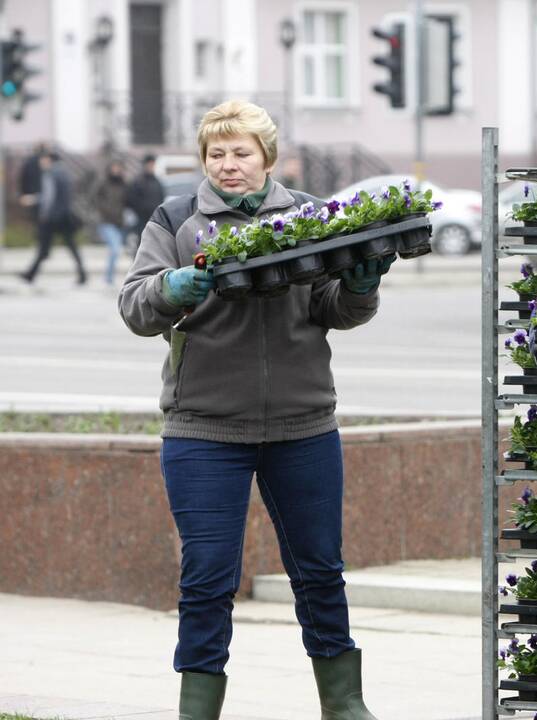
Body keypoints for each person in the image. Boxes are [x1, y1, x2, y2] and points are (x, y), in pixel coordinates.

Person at [118, 100, 394, 720]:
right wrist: (170, 288)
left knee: (320, 571)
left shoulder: (308, 217)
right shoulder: (176, 219)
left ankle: (343, 703)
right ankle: (198, 708)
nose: (228, 165)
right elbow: (134, 307)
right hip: (204, 430)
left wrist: (361, 284)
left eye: (241, 152)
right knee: (208, 579)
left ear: (267, 157)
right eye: (217, 154)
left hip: (303, 426)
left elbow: (335, 311)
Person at [20, 151, 87, 285]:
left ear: (48, 160)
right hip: (63, 216)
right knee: (70, 246)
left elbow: (48, 197)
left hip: (52, 218)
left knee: (44, 247)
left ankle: (30, 275)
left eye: (42, 160)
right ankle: (82, 274)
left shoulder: (51, 174)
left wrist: (36, 204)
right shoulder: (64, 173)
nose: (40, 163)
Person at [92, 160, 128, 284]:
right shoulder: (103, 183)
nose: (116, 170)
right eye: (114, 167)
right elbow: (95, 199)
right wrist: (104, 210)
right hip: (106, 221)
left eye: (118, 167)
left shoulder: (123, 184)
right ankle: (109, 278)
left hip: (119, 222)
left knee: (116, 250)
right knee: (115, 249)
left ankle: (110, 277)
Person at [126, 153, 165, 247]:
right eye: (150, 164)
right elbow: (131, 199)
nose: (151, 167)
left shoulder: (157, 182)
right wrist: (140, 211)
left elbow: (161, 198)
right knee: (141, 243)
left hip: (154, 218)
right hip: (141, 219)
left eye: (153, 164)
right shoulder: (138, 181)